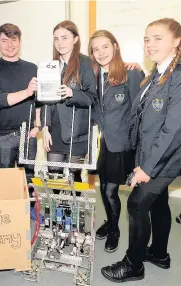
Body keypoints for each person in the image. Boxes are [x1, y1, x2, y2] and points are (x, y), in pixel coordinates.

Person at [101, 18, 181, 282]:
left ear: (176, 41)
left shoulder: (178, 76)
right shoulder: (155, 74)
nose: (150, 44)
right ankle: (159, 253)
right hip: (149, 155)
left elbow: (173, 130)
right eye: (147, 39)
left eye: (158, 38)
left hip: (164, 159)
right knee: (158, 203)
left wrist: (147, 168)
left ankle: (133, 265)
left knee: (136, 204)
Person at [88, 30, 144, 252]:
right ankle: (110, 221)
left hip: (121, 144)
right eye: (95, 49)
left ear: (115, 46)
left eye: (105, 47)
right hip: (100, 143)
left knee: (111, 190)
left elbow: (140, 111)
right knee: (103, 186)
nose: (100, 52)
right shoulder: (92, 75)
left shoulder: (130, 73)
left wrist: (136, 149)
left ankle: (114, 230)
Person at [0, 23, 40, 189]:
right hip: (3, 137)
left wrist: (38, 126)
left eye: (14, 40)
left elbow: (39, 101)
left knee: (29, 181)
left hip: (29, 134)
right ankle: (11, 215)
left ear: (20, 41)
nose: (10, 45)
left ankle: (29, 215)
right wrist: (27, 91)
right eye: (4, 40)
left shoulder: (32, 68)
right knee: (6, 182)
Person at [41, 20, 97, 192]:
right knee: (54, 174)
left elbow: (92, 98)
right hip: (55, 130)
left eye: (65, 38)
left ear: (75, 39)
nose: (60, 43)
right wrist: (44, 127)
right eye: (56, 39)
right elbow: (45, 100)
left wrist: (73, 93)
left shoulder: (85, 62)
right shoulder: (50, 65)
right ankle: (59, 217)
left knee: (74, 175)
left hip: (77, 132)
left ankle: (76, 216)